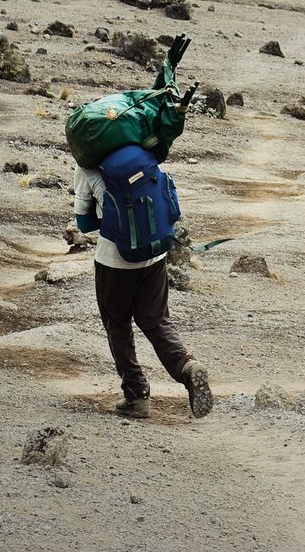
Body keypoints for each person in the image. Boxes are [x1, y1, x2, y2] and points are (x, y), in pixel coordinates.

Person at [74, 162, 213, 419]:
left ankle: (136, 396)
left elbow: (84, 224)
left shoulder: (87, 166)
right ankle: (186, 366)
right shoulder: (142, 155)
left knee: (118, 326)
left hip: (114, 261)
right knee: (158, 321)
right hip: (154, 255)